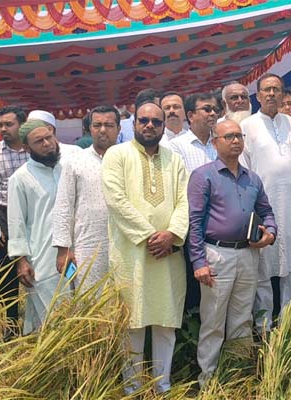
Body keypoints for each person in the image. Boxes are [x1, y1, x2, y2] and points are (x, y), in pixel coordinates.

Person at [101, 102, 189, 394]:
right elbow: (115, 200)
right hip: (132, 254)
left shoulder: (174, 159)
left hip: (167, 254)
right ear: (134, 123)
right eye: (144, 120)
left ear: (164, 126)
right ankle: (133, 388)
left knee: (166, 322)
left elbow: (184, 201)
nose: (150, 125)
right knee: (133, 324)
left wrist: (172, 234)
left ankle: (162, 386)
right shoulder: (117, 154)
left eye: (156, 122)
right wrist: (151, 236)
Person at [188, 119, 276, 386]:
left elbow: (267, 212)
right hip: (216, 255)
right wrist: (198, 261)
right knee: (213, 322)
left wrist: (270, 233)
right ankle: (208, 382)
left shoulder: (253, 178)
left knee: (242, 319)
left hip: (247, 255)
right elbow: (193, 221)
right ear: (215, 142)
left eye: (239, 135)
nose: (236, 140)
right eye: (229, 136)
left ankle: (237, 377)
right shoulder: (203, 176)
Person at [239, 73, 291, 331]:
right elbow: (244, 169)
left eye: (276, 90)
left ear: (282, 94)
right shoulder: (247, 126)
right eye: (266, 90)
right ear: (257, 96)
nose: (271, 94)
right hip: (262, 207)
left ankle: (289, 325)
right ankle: (264, 328)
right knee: (263, 269)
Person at [7, 113, 78, 334]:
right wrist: (21, 261)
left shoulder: (68, 167)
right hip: (43, 260)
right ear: (27, 149)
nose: (48, 144)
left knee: (76, 307)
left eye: (49, 138)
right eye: (39, 141)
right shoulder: (20, 178)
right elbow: (16, 223)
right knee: (50, 320)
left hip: (74, 253)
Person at [51, 105, 120, 291]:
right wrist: (63, 249)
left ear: (119, 129)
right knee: (89, 301)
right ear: (89, 129)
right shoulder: (75, 161)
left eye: (109, 125)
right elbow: (63, 205)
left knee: (124, 304)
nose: (103, 130)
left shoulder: (127, 159)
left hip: (124, 245)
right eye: (97, 125)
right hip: (87, 246)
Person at [168, 92, 219, 311]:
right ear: (190, 115)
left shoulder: (221, 141)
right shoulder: (177, 146)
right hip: (195, 225)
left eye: (215, 109)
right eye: (207, 109)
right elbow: (181, 186)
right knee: (196, 287)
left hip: (223, 223)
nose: (213, 113)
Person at [0, 105, 28, 324]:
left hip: (34, 219)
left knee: (38, 274)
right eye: (0, 125)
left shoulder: (35, 149)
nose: (3, 129)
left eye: (8, 124)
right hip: (4, 221)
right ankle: (11, 329)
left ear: (22, 125)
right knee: (6, 280)